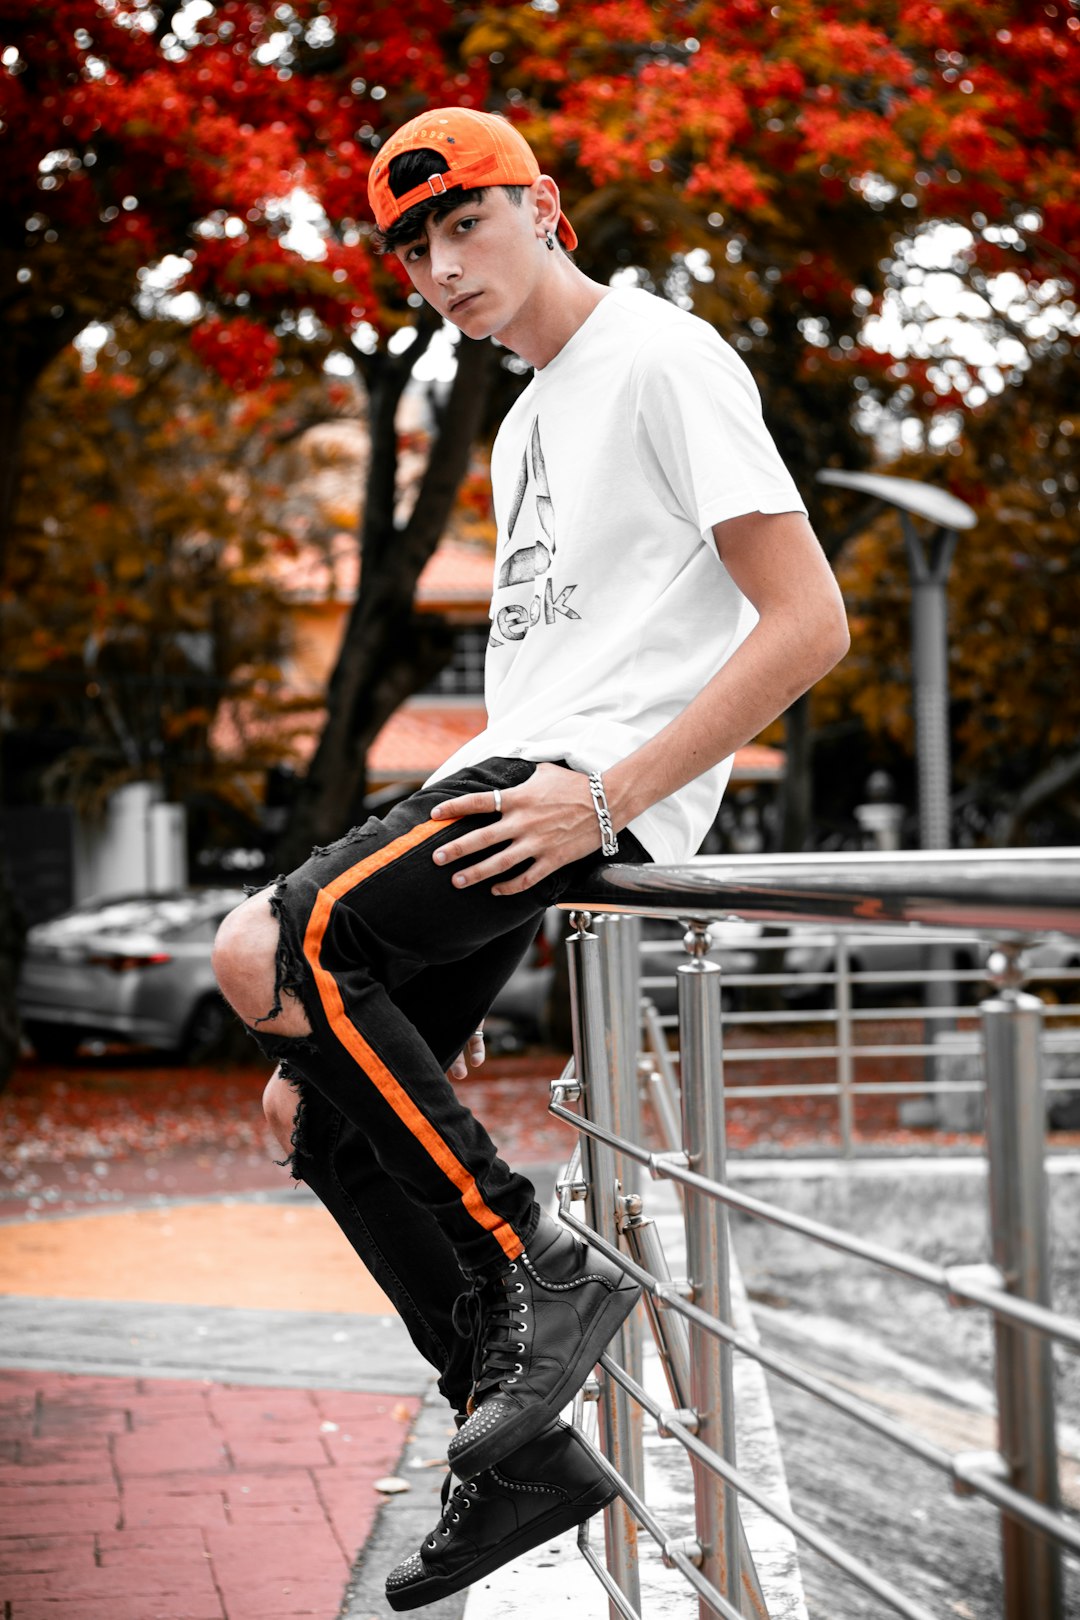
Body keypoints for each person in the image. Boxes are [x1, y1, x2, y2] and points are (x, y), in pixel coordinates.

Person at [211, 106, 849, 1610]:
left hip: (571, 792)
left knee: (267, 949)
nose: (439, 269)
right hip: (512, 786)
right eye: (414, 249)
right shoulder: (523, 417)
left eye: (463, 228)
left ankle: (531, 1260)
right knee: (311, 1107)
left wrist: (611, 797)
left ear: (544, 207)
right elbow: (541, 673)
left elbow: (810, 623)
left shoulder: (663, 356)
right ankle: (512, 1453)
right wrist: (452, 944)